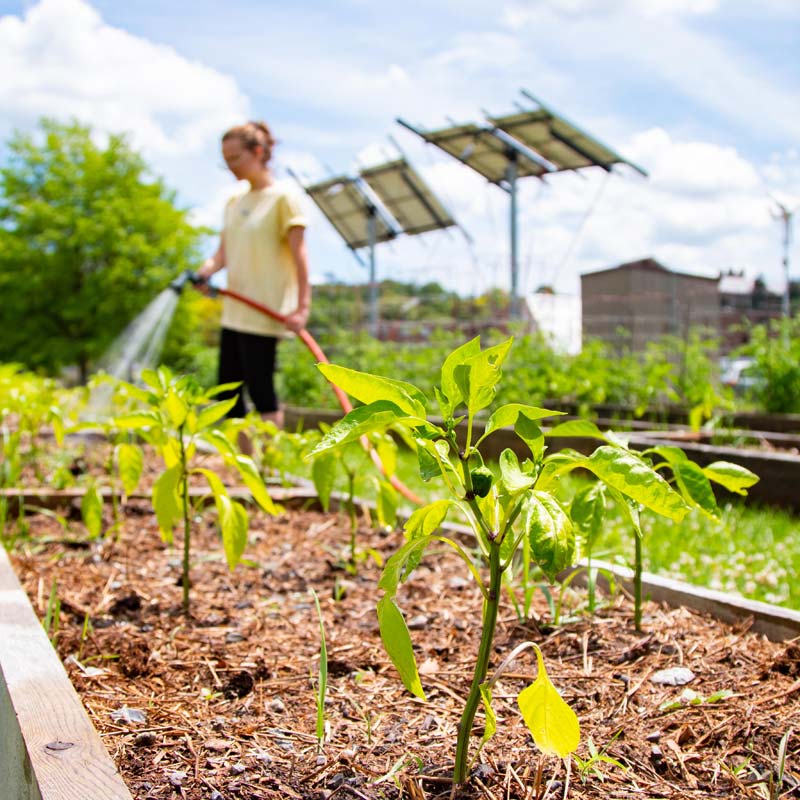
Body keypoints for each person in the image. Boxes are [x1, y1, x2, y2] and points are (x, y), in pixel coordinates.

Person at [197, 121, 311, 431]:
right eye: (226, 161)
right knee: (228, 393)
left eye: (236, 158)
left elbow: (300, 256)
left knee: (262, 392)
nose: (231, 166)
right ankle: (244, 463)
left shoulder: (282, 198)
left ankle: (269, 466)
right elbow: (222, 254)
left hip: (265, 310)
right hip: (234, 311)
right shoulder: (235, 202)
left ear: (258, 152)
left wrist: (302, 308)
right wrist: (205, 271)